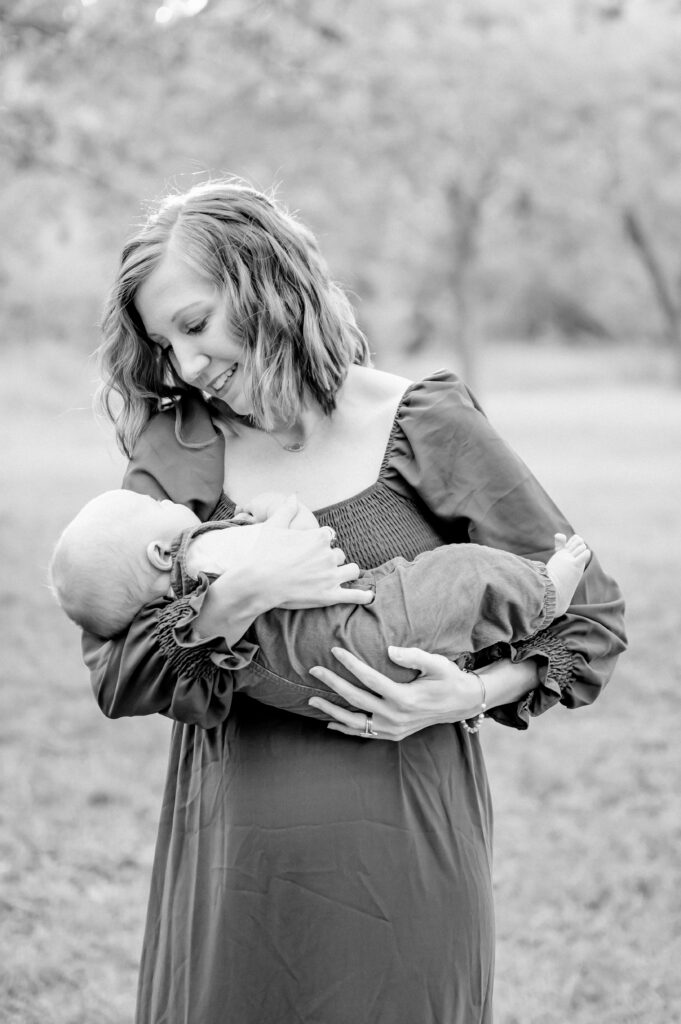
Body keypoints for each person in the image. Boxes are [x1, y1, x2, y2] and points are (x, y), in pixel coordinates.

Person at [83, 179, 626, 1024]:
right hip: (234, 856)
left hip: (409, 847)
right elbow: (116, 671)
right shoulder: (179, 445)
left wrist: (470, 693)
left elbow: (585, 613)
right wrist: (240, 595)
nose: (186, 366)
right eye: (165, 344)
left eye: (195, 324)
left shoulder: (424, 422)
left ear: (267, 284)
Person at [51, 487, 590, 726]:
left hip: (313, 680)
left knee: (440, 602)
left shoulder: (176, 602)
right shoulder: (200, 552)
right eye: (154, 505)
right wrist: (275, 509)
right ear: (158, 552)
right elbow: (309, 546)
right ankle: (543, 592)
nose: (169, 500)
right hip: (362, 630)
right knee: (457, 573)